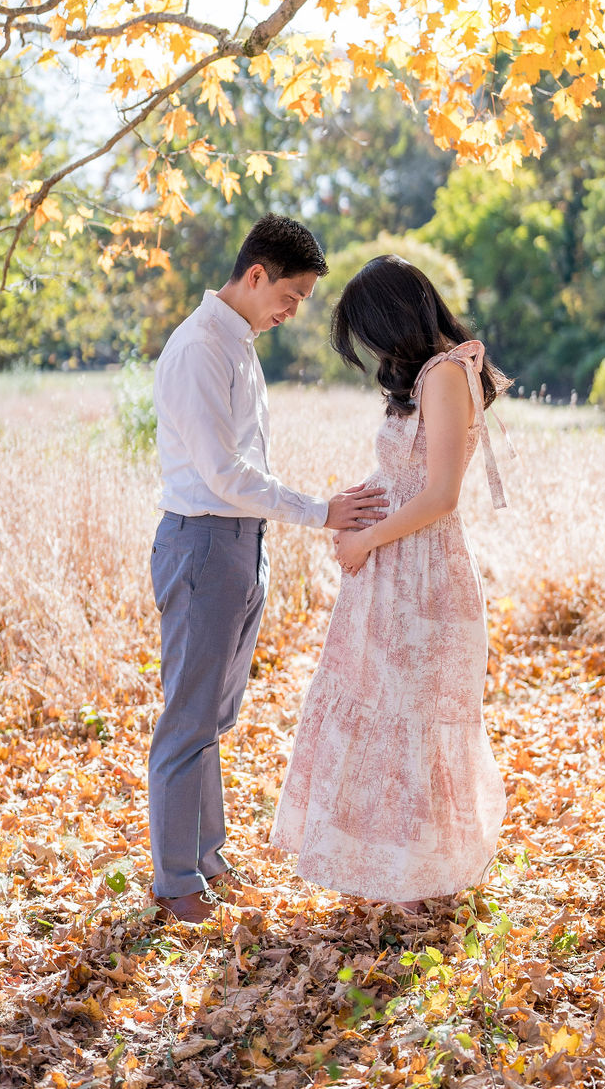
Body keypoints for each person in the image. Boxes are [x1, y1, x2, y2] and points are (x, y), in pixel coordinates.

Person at [147, 215, 388, 925]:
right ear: (256, 275)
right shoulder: (198, 349)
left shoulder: (239, 343)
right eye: (292, 295)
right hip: (203, 544)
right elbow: (223, 474)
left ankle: (208, 856)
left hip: (241, 545)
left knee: (214, 717)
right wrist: (321, 512)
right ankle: (175, 881)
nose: (294, 311)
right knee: (187, 721)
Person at [272, 254, 510, 912]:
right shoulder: (429, 376)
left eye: (369, 333)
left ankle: (418, 877)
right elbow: (404, 479)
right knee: (380, 707)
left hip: (422, 578)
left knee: (413, 716)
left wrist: (367, 539)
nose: (370, 349)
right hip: (391, 575)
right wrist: (352, 509)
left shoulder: (443, 373)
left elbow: (439, 496)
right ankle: (389, 871)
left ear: (392, 319)